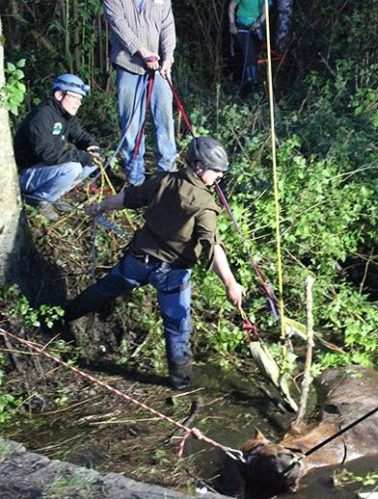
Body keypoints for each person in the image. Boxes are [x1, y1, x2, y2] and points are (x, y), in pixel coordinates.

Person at [64, 137, 244, 389]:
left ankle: (65, 316)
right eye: (216, 171)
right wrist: (231, 284)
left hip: (137, 260)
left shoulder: (164, 180)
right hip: (171, 273)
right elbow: (212, 248)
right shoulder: (205, 206)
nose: (218, 177)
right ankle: (180, 383)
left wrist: (100, 207)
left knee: (105, 289)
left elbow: (129, 198)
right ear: (199, 166)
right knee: (178, 327)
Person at [103, 0, 178, 186]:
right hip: (128, 66)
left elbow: (168, 27)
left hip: (159, 68)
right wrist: (143, 52)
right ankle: (135, 177)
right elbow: (119, 25)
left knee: (165, 121)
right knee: (130, 122)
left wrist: (168, 57)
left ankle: (167, 176)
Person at [13, 74, 103, 221]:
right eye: (75, 98)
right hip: (26, 173)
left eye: (80, 99)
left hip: (45, 169)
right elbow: (47, 154)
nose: (79, 103)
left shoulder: (65, 115)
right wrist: (80, 156)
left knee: (92, 163)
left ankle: (55, 195)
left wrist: (92, 146)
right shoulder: (42, 116)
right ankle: (39, 199)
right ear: (59, 94)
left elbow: (79, 135)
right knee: (73, 167)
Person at [228, 0, 271, 94]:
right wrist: (232, 24)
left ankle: (253, 83)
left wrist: (259, 22)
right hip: (241, 26)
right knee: (248, 54)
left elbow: (265, 11)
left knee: (254, 55)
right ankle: (251, 82)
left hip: (255, 27)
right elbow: (231, 7)